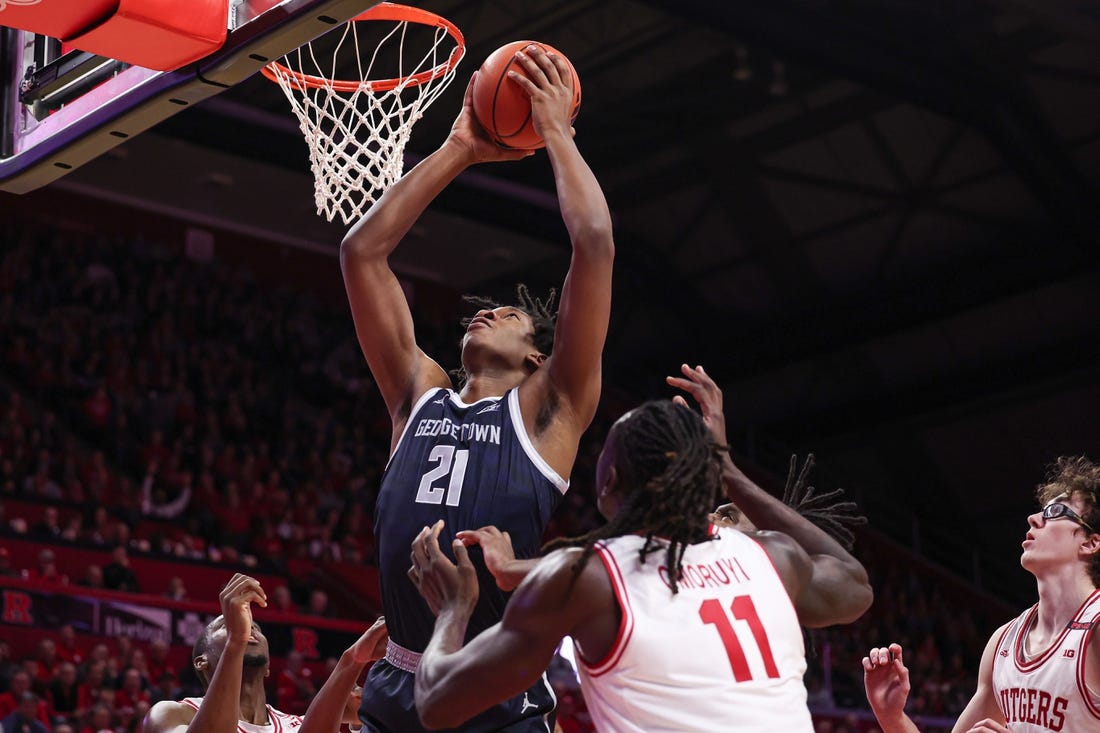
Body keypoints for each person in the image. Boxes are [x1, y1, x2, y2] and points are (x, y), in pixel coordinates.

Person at [340, 44, 614, 733]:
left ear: (537, 356)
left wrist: (554, 131)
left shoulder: (551, 408)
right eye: (485, 310)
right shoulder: (418, 393)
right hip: (398, 682)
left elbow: (595, 243)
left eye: (509, 314)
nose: (486, 312)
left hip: (493, 686)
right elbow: (361, 254)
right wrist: (459, 148)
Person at [409, 364, 873, 732]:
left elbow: (436, 704)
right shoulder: (772, 557)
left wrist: (453, 609)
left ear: (608, 480)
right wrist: (728, 468)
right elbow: (854, 584)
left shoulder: (585, 577)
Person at [862, 455, 1100, 733]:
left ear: (1090, 542)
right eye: (1040, 511)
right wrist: (891, 716)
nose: (1034, 519)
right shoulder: (1003, 642)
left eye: (1055, 511)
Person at [141, 574, 388, 733]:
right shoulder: (171, 714)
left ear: (269, 667)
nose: (247, 628)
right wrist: (235, 643)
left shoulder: (298, 724)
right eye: (226, 625)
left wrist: (353, 660)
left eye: (254, 628)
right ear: (200, 661)